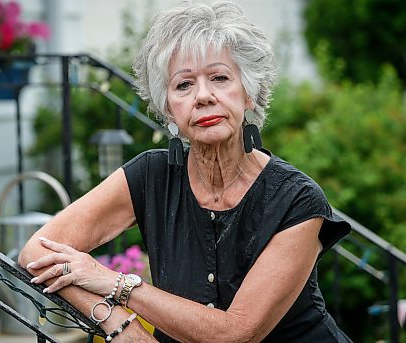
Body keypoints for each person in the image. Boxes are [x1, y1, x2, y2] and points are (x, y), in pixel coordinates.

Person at [18, 1, 353, 342]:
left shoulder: (296, 199)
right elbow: (36, 254)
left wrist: (118, 284)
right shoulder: (151, 176)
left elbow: (235, 335)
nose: (203, 96)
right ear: (168, 108)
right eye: (184, 85)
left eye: (220, 78)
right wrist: (118, 323)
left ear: (248, 93)